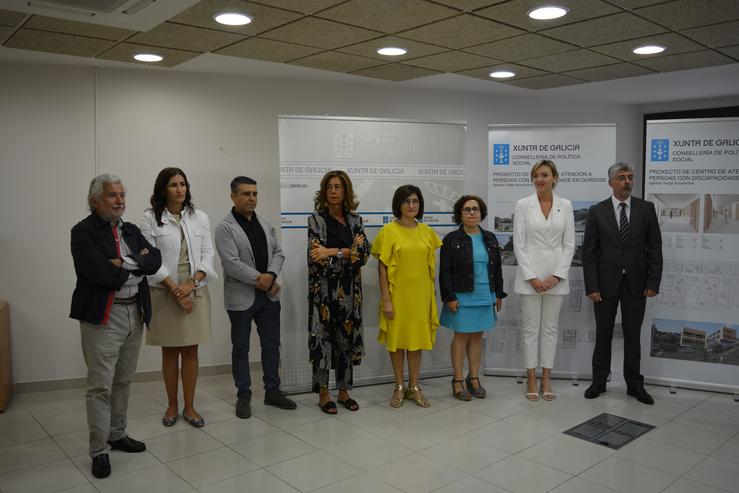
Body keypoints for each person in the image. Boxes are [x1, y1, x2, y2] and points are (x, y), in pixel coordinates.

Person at [70, 174, 161, 479]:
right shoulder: (82, 232)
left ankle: (117, 434)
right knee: (100, 386)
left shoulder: (132, 230)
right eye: (112, 195)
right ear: (94, 201)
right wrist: (136, 263)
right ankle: (98, 451)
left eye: (122, 194)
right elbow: (99, 273)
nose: (120, 200)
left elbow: (156, 261)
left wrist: (122, 262)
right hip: (104, 317)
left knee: (123, 381)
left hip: (135, 312)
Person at [214, 176, 297, 419]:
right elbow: (232, 264)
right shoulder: (225, 228)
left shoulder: (265, 223)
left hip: (269, 298)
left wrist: (270, 276)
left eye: (254, 194)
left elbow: (279, 253)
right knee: (241, 347)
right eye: (246, 194)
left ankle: (273, 391)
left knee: (271, 346)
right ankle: (244, 395)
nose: (252, 198)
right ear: (233, 196)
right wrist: (262, 281)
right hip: (241, 298)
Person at [141, 167, 217, 428]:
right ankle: (172, 405)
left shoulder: (200, 217)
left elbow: (208, 253)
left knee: (191, 349)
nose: (180, 189)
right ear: (163, 189)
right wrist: (176, 289)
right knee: (170, 351)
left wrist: (191, 284)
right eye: (173, 185)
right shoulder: (150, 218)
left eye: (183, 184)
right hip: (164, 287)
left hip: (195, 285)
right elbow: (149, 258)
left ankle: (190, 407)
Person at [583, 163, 662, 405]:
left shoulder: (646, 209)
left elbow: (655, 249)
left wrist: (653, 281)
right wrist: (592, 286)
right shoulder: (597, 211)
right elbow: (589, 253)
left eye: (630, 177)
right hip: (605, 285)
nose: (627, 181)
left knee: (632, 336)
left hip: (637, 284)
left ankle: (635, 384)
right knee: (604, 335)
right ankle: (599, 381)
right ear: (611, 182)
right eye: (621, 177)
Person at [371, 185, 442, 408]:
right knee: (398, 343)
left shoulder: (427, 232)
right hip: (397, 296)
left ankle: (414, 386)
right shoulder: (388, 231)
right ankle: (399, 386)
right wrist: (387, 299)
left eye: (415, 201)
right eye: (406, 201)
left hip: (421, 297)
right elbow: (382, 268)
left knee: (416, 342)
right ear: (398, 205)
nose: (411, 206)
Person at [307, 171, 370, 414]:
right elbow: (316, 258)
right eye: (329, 187)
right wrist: (347, 254)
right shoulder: (315, 220)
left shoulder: (356, 221)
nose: (333, 191)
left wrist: (333, 252)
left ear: (346, 191)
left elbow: (362, 255)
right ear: (324, 192)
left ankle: (343, 391)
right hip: (323, 294)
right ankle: (323, 394)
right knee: (322, 343)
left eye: (338, 187)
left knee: (346, 342)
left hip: (350, 294)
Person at [513, 160, 575, 401]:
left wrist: (558, 275)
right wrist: (532, 277)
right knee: (530, 330)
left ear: (555, 177)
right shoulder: (523, 205)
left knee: (550, 329)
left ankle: (546, 377)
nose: (539, 179)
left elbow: (569, 244)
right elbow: (519, 243)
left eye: (544, 175)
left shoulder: (566, 205)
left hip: (556, 278)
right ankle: (530, 377)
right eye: (535, 175)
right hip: (530, 278)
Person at [440, 196, 505, 400]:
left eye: (475, 209)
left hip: (485, 294)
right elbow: (445, 272)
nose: (471, 213)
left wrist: (498, 293)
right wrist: (449, 296)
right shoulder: (451, 239)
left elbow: (496, 268)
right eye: (466, 209)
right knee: (461, 337)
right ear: (460, 213)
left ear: (481, 213)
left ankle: (474, 377)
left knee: (477, 336)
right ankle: (458, 379)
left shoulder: (490, 238)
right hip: (461, 295)